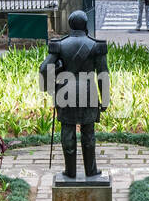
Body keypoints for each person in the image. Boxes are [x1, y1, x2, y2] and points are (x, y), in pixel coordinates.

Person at [38, 10, 110, 179]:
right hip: (88, 91)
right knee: (88, 132)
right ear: (85, 25)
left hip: (65, 90)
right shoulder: (96, 45)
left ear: (70, 25)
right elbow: (103, 74)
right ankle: (91, 171)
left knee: (67, 130)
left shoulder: (60, 44)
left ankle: (70, 172)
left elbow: (43, 69)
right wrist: (105, 99)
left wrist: (50, 88)